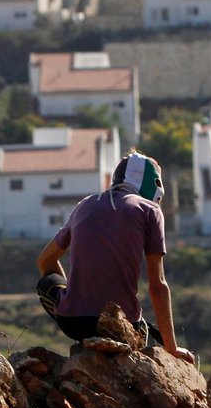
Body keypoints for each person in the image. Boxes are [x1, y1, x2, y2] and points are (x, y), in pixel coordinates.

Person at [35, 151, 195, 364]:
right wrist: (171, 348)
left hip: (73, 323)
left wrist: (73, 295)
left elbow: (45, 261)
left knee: (48, 283)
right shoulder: (149, 210)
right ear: (153, 184)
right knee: (141, 326)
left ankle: (85, 344)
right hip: (120, 325)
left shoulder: (85, 204)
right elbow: (158, 285)